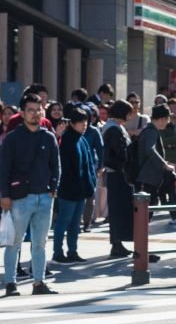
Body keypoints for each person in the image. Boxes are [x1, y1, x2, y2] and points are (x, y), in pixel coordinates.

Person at [0, 92, 60, 296]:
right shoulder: (12, 138)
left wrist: (54, 188)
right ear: (23, 113)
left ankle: (39, 282)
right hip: (19, 198)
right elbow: (4, 168)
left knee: (40, 243)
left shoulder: (49, 136)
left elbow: (56, 166)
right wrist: (4, 195)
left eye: (38, 110)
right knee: (14, 242)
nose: (35, 114)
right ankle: (10, 283)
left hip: (45, 197)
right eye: (31, 110)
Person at [52, 106, 96, 264]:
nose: (84, 126)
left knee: (76, 223)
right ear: (72, 123)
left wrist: (91, 185)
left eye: (86, 123)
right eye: (81, 123)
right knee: (64, 221)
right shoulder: (66, 140)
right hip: (68, 189)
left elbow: (89, 164)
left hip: (81, 189)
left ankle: (73, 251)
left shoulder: (82, 139)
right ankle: (57, 252)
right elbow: (64, 167)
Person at [103, 100, 135, 258]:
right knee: (117, 209)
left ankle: (118, 243)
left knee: (117, 208)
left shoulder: (114, 126)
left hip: (116, 172)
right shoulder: (114, 129)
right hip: (117, 173)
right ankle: (116, 244)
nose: (131, 116)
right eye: (129, 112)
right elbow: (121, 152)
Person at [135, 104, 176, 206]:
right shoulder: (151, 132)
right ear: (162, 119)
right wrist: (164, 164)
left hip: (146, 179)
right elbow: (150, 149)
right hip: (147, 179)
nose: (169, 122)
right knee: (145, 213)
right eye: (168, 119)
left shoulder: (149, 130)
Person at [81, 103, 104, 233]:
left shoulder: (93, 131)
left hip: (91, 166)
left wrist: (101, 166)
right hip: (76, 166)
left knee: (90, 196)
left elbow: (101, 149)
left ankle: (87, 223)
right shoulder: (71, 130)